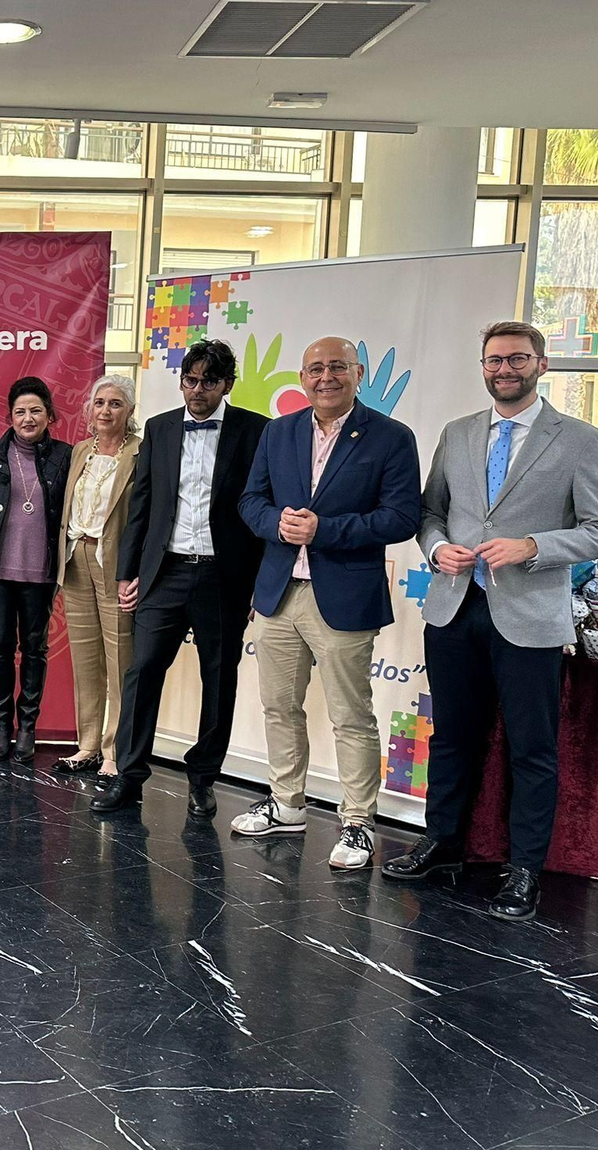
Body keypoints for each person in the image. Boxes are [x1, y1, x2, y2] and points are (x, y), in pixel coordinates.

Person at [382, 321, 598, 920]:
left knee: (531, 749)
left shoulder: (581, 440)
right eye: (494, 360)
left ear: (541, 365)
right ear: (483, 367)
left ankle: (523, 871)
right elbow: (430, 513)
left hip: (530, 616)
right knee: (451, 738)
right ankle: (442, 845)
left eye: (517, 358)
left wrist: (533, 546)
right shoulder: (458, 432)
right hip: (454, 606)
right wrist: (438, 549)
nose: (504, 369)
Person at [233, 336, 420, 870]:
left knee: (350, 716)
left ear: (357, 373)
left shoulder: (391, 437)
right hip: (278, 593)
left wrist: (324, 530)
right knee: (279, 707)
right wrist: (277, 523)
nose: (326, 377)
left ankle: (358, 822)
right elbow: (250, 500)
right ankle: (287, 804)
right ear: (302, 377)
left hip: (343, 596)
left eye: (337, 367)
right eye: (315, 369)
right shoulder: (279, 431)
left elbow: (402, 517)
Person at [94, 340, 269, 818]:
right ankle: (129, 775)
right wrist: (128, 572)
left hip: (224, 575)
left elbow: (262, 507)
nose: (197, 390)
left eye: (209, 381)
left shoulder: (256, 431)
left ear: (227, 384)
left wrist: (260, 578)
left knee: (219, 677)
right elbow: (142, 504)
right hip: (164, 572)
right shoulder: (160, 427)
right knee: (142, 671)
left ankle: (203, 778)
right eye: (190, 380)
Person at [0, 378, 73, 765]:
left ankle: (27, 727)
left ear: (49, 414)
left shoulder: (66, 457)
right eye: (20, 412)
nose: (28, 418)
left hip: (41, 571)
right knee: (0, 649)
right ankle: (2, 726)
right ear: (10, 417)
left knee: (35, 649)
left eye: (36, 410)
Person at [54, 374, 141, 782]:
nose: (106, 411)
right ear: (89, 409)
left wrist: (136, 570)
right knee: (85, 659)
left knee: (121, 660)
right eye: (100, 403)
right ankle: (88, 744)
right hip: (76, 559)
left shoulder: (141, 452)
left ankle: (115, 750)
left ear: (130, 410)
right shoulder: (80, 451)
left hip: (115, 565)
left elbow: (145, 517)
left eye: (115, 403)